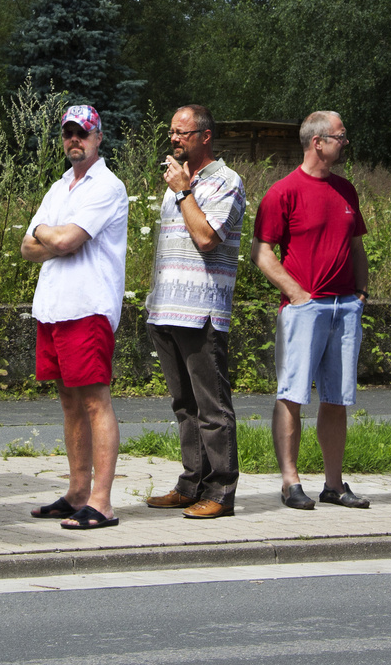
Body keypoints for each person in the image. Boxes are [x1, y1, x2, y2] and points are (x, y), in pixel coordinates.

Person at [251, 110, 372, 510]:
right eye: (340, 135)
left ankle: (334, 484)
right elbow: (262, 253)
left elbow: (356, 246)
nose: (345, 141)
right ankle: (290, 481)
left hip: (345, 308)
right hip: (305, 308)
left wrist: (361, 293)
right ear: (317, 142)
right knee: (292, 395)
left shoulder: (345, 190)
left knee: (337, 398)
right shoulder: (282, 192)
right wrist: (296, 293)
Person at [21, 105, 130, 530]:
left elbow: (61, 239)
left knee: (94, 401)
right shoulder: (60, 186)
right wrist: (54, 237)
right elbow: (25, 247)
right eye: (68, 133)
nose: (74, 140)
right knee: (69, 402)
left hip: (88, 307)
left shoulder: (108, 186)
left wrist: (49, 233)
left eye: (81, 133)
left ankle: (101, 502)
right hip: (53, 307)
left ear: (98, 137)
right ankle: (77, 492)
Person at [143, 105, 247, 519]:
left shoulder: (226, 181)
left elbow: (206, 238)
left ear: (205, 136)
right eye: (172, 131)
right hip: (166, 308)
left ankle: (221, 492)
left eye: (183, 133)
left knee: (211, 405)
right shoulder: (176, 183)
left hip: (200, 312)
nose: (174, 139)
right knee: (183, 404)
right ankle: (192, 482)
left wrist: (185, 191)